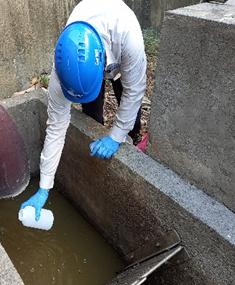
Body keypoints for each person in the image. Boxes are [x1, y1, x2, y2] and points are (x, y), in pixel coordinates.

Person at [21, 0, 147, 221]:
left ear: (103, 66)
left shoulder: (128, 37)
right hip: (87, 66)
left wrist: (117, 136)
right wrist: (44, 186)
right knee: (92, 114)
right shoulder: (64, 66)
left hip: (117, 50)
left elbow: (134, 91)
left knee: (129, 110)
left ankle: (132, 137)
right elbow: (56, 127)